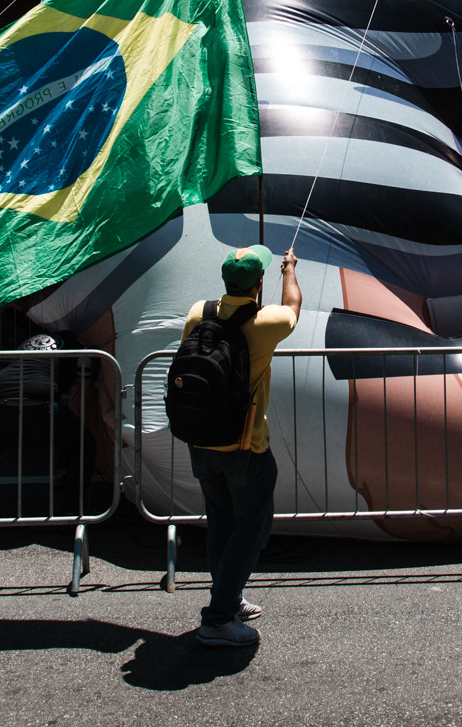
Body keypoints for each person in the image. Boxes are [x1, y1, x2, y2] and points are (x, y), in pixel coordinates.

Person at [181, 245, 300, 648]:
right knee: (252, 527)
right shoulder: (269, 322)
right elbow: (293, 306)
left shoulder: (200, 312)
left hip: (202, 440)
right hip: (246, 445)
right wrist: (289, 271)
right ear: (258, 283)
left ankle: (227, 599)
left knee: (222, 522)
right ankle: (217, 619)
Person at [0, 320, 97, 521]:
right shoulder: (76, 347)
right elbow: (72, 384)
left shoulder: (31, 340)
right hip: (36, 398)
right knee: (82, 444)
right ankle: (72, 508)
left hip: (0, 391)